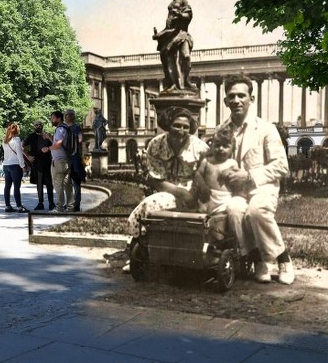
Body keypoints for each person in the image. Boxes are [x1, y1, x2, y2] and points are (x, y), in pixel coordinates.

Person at [218, 75, 293, 285]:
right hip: (235, 192)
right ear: (225, 101)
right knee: (234, 211)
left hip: (262, 187)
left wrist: (250, 176)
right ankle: (257, 259)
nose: (236, 100)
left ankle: (283, 259)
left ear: (251, 98)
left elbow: (282, 165)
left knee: (256, 211)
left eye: (242, 95)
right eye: (231, 96)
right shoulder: (221, 131)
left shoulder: (266, 128)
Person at [123, 107, 209, 271]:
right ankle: (137, 250)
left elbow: (206, 176)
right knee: (149, 206)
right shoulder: (156, 144)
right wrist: (182, 193)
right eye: (177, 125)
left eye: (186, 127)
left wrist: (196, 193)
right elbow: (156, 180)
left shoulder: (200, 147)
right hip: (167, 190)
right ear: (168, 125)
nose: (181, 131)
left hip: (195, 191)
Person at [192, 126, 241, 243]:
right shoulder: (207, 161)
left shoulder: (232, 163)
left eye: (225, 146)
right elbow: (198, 174)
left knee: (219, 223)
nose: (220, 149)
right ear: (212, 146)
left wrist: (231, 174)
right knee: (202, 219)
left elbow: (238, 181)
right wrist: (202, 185)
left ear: (232, 148)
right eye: (217, 145)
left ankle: (219, 244)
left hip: (223, 199)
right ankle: (203, 243)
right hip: (207, 197)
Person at [152, 0, 194, 91]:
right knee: (170, 60)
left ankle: (185, 81)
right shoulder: (171, 5)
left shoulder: (183, 1)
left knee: (186, 56)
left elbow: (188, 15)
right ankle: (173, 83)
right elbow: (168, 27)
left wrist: (179, 14)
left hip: (182, 34)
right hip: (171, 36)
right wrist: (158, 35)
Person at [42, 110, 74, 212]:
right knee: (67, 184)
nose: (52, 120)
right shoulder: (64, 128)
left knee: (57, 184)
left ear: (59, 118)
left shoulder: (60, 129)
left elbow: (59, 144)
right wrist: (50, 138)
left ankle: (59, 207)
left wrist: (48, 148)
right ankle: (70, 207)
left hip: (59, 161)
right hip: (66, 160)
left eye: (53, 118)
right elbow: (60, 143)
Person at [23, 121, 54, 210]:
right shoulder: (31, 136)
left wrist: (50, 137)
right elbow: (22, 146)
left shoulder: (47, 135)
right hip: (36, 163)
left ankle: (51, 203)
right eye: (36, 125)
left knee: (49, 183)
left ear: (42, 126)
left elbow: (55, 145)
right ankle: (40, 203)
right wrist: (28, 156)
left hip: (47, 162)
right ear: (34, 126)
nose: (38, 126)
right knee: (39, 184)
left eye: (40, 124)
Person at [1, 122, 28, 213]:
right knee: (17, 186)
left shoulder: (5, 141)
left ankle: (7, 206)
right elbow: (19, 154)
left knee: (7, 186)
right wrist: (23, 165)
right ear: (17, 130)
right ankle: (19, 206)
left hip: (6, 165)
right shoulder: (17, 139)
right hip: (15, 165)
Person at [64, 109, 84, 212]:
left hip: (74, 157)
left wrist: (78, 138)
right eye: (66, 114)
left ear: (72, 116)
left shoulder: (76, 127)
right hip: (65, 158)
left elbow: (80, 138)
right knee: (66, 182)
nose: (66, 116)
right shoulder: (63, 127)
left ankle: (76, 204)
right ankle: (69, 203)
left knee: (76, 182)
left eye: (68, 114)